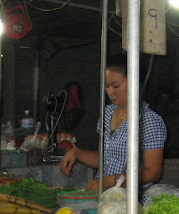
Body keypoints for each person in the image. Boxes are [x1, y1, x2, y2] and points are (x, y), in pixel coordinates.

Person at [60, 55, 166, 191]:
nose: (110, 92)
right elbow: (105, 159)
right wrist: (77, 153)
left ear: (134, 82)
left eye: (115, 86)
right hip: (106, 199)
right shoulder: (107, 113)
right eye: (106, 86)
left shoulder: (149, 121)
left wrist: (111, 180)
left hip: (131, 202)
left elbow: (153, 172)